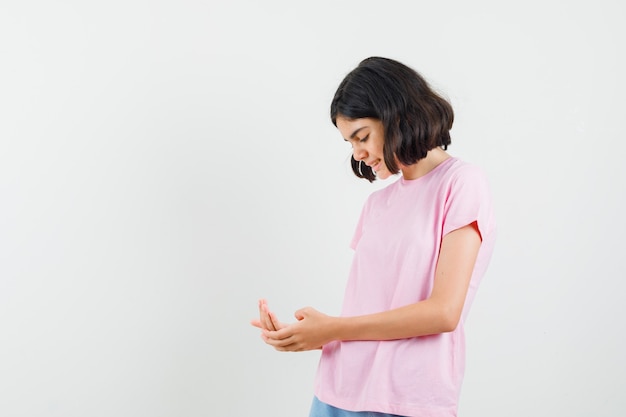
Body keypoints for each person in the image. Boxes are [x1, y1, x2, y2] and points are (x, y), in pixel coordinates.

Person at [251, 56, 496, 417]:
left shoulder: (461, 183)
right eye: (349, 143)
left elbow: (444, 313)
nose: (358, 154)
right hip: (336, 393)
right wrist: (311, 335)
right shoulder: (377, 204)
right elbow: (369, 314)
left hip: (408, 399)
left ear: (396, 114)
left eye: (362, 136)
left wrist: (333, 328)